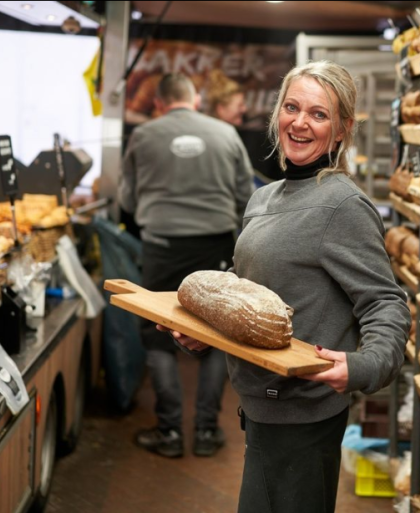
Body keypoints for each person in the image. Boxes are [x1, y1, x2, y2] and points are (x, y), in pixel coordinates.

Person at [163, 61, 411, 511]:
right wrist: (203, 331)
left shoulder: (342, 205)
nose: (300, 122)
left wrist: (364, 365)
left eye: (318, 114)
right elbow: (251, 293)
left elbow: (386, 303)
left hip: (303, 418)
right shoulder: (264, 197)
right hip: (260, 407)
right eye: (291, 107)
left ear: (341, 131)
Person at [119, 73, 254, 458]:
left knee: (157, 333)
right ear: (195, 100)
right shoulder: (226, 134)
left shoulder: (143, 136)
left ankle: (170, 432)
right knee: (213, 337)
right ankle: (207, 431)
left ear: (159, 104)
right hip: (214, 246)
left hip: (160, 247)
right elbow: (247, 196)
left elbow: (127, 199)